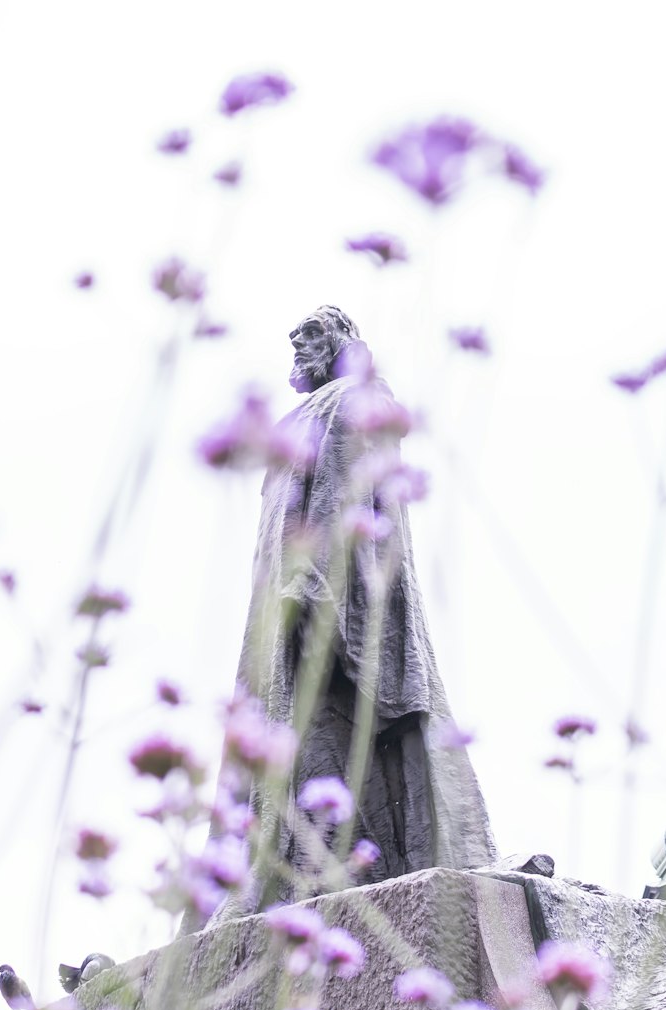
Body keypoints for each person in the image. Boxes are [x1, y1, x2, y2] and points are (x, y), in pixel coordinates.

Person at [198, 305, 496, 928]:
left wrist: (318, 591)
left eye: (309, 336)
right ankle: (307, 875)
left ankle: (353, 871)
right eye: (294, 339)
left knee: (330, 736)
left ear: (342, 343)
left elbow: (343, 495)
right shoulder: (301, 417)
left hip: (325, 600)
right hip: (280, 612)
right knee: (296, 744)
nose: (297, 348)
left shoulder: (350, 402)